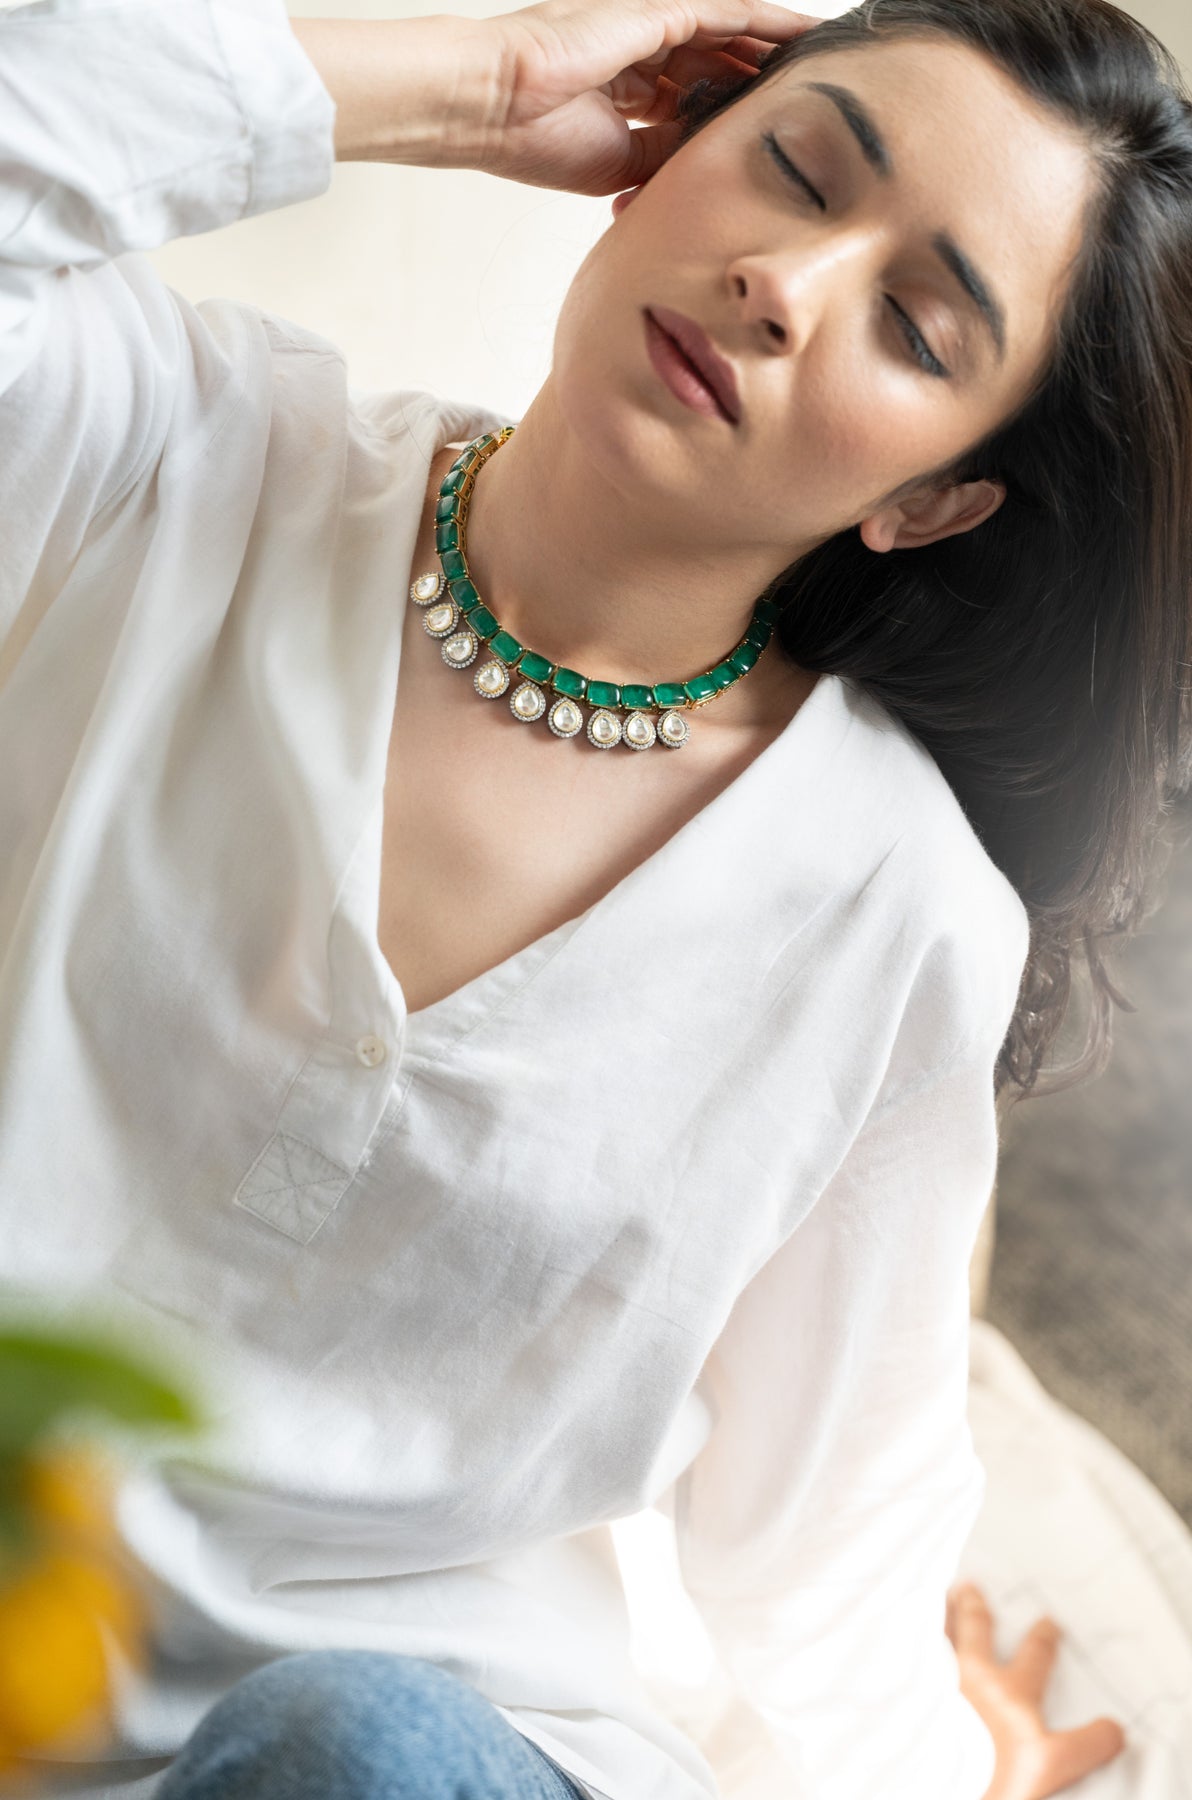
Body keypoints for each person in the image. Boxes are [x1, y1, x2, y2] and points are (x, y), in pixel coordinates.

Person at [1, 0, 1188, 1795]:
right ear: (660, 156)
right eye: (797, 169)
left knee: (349, 1739)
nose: (785, 285)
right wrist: (474, 87)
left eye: (915, 325)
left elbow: (830, 1537)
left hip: (410, 1751)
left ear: (936, 499)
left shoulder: (899, 915)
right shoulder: (172, 455)